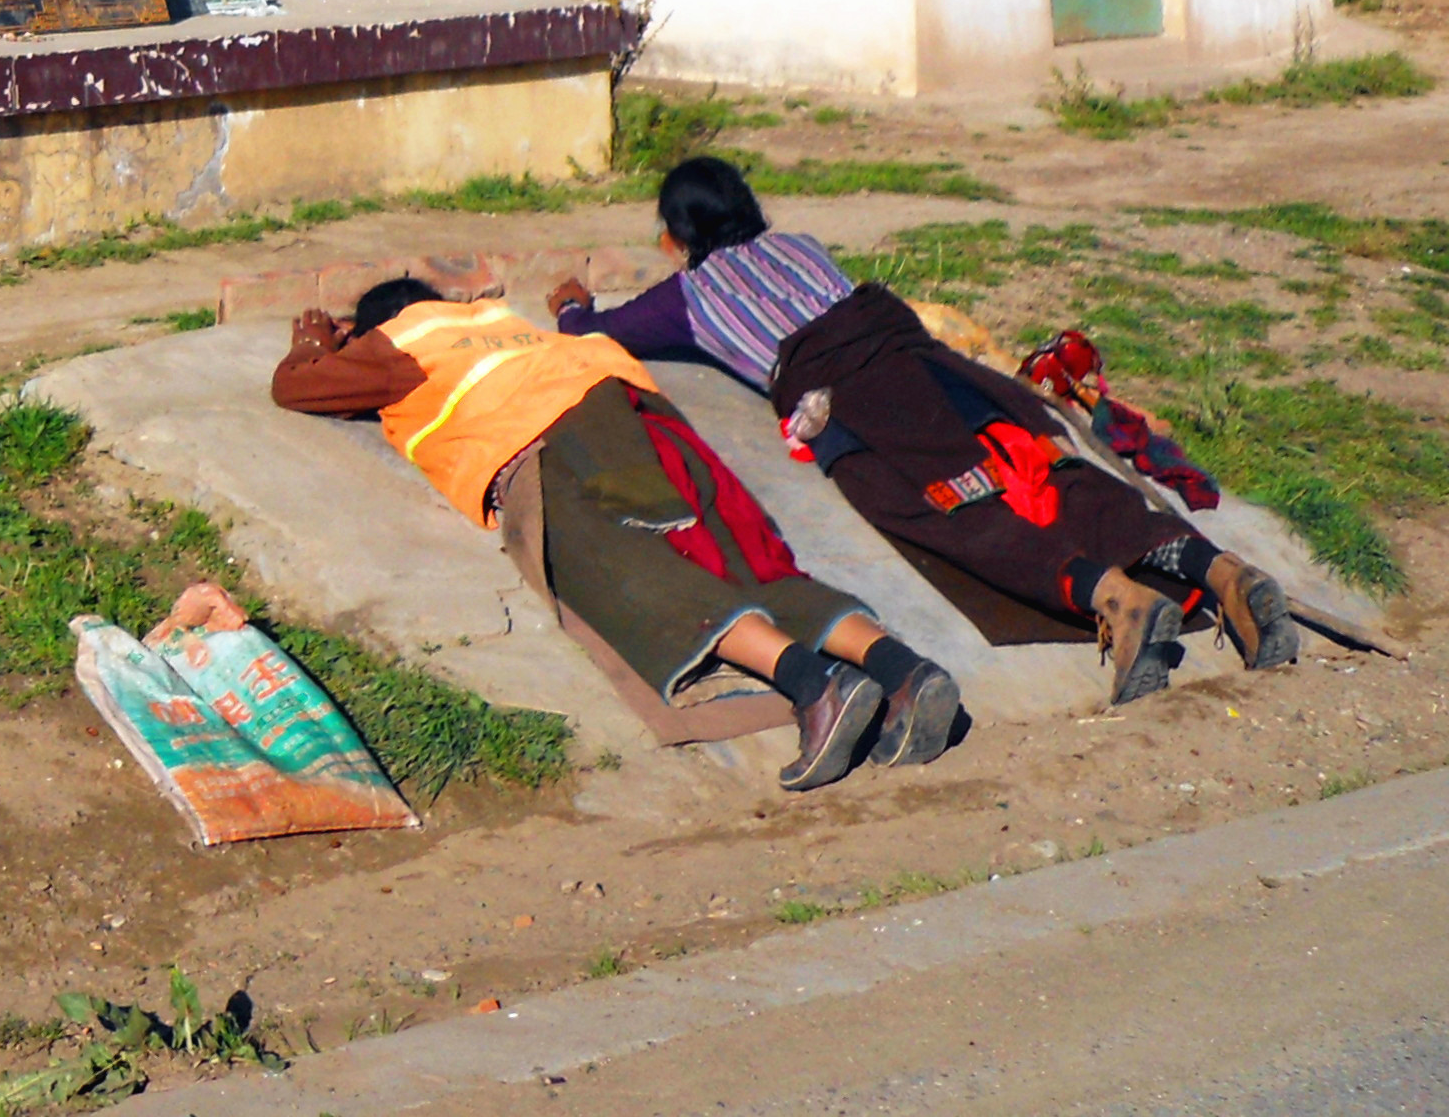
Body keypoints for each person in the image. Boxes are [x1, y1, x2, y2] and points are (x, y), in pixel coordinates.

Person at [554, 156, 1299, 705]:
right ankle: (1218, 570)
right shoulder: (802, 246)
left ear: (680, 233)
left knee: (947, 513)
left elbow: (594, 331)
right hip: (935, 367)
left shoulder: (688, 299)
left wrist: (568, 302)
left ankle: (1114, 598)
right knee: (1042, 470)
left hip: (859, 403)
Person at [273, 257, 963, 784]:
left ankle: (815, 688)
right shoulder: (504, 321)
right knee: (745, 557)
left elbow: (297, 388)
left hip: (555, 447)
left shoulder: (399, 339)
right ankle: (902, 669)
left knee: (630, 577)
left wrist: (313, 341)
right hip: (648, 420)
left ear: (372, 326)